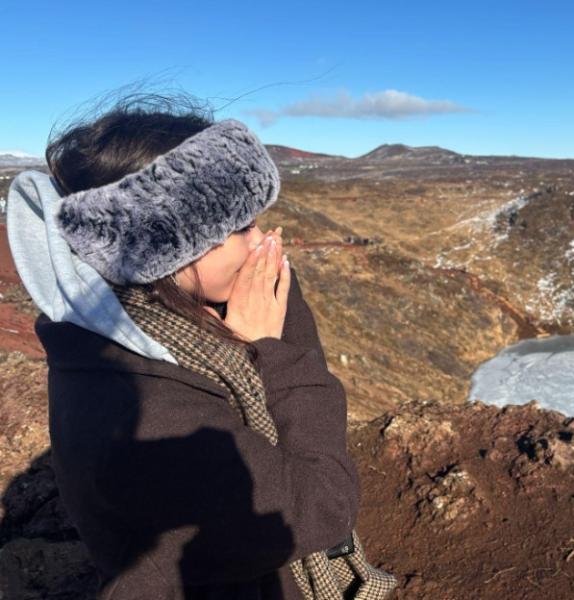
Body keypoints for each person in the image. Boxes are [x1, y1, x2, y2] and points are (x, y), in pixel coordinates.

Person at [6, 95, 397, 599]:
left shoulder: (151, 320)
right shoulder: (145, 407)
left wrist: (277, 304)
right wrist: (274, 350)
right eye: (240, 227)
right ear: (164, 246)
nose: (262, 243)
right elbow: (321, 505)